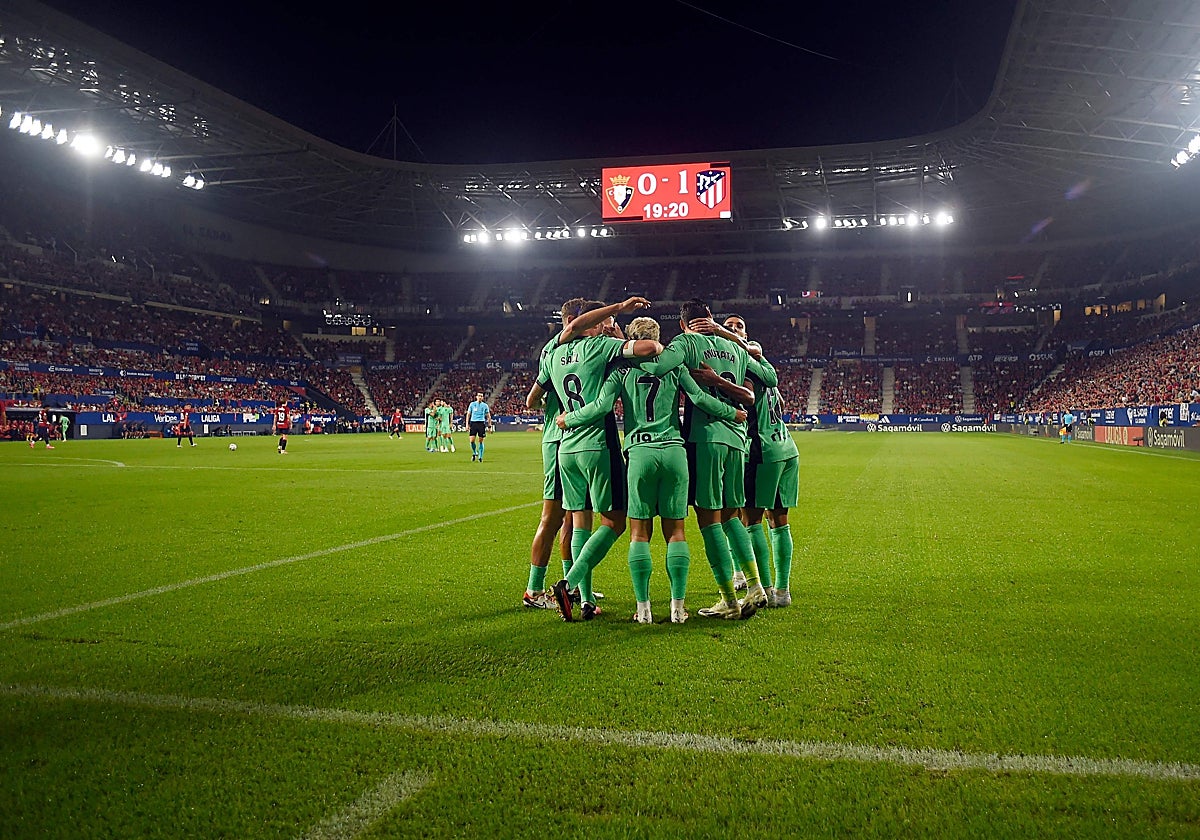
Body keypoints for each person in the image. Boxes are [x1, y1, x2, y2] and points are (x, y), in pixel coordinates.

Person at [557, 316, 746, 624]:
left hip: (639, 454)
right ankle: (677, 609)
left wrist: (569, 419)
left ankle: (643, 609)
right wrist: (732, 412)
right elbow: (699, 398)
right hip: (674, 453)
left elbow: (602, 407)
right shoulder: (676, 367)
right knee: (676, 533)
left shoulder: (623, 370)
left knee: (639, 534)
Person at [638, 298, 772, 619]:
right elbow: (768, 375)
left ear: (683, 324)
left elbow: (656, 367)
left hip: (705, 437)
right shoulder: (736, 348)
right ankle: (755, 586)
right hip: (737, 441)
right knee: (732, 516)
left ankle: (728, 599)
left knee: (709, 520)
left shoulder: (686, 342)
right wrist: (731, 337)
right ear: (711, 318)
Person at [539, 298, 662, 621]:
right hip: (597, 444)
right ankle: (570, 583)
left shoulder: (553, 354)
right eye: (600, 322)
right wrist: (620, 334)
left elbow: (536, 395)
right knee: (614, 521)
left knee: (580, 521)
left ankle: (587, 600)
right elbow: (649, 349)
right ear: (589, 326)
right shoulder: (600, 347)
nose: (605, 326)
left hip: (566, 449)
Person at [711, 314, 798, 608]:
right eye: (730, 325)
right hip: (786, 447)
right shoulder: (762, 363)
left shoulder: (742, 363)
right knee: (779, 521)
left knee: (750, 520)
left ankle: (763, 587)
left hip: (762, 451)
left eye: (739, 326)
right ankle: (782, 593)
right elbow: (781, 403)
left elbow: (745, 398)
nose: (733, 329)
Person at [466, 391, 491, 462]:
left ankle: (480, 457)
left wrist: (489, 426)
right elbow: (468, 414)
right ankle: (474, 452)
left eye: (481, 396)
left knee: (481, 440)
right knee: (472, 440)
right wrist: (467, 424)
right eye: (479, 396)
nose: (480, 397)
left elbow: (488, 416)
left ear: (482, 398)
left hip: (481, 423)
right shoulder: (472, 404)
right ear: (476, 397)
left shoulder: (485, 405)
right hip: (473, 423)